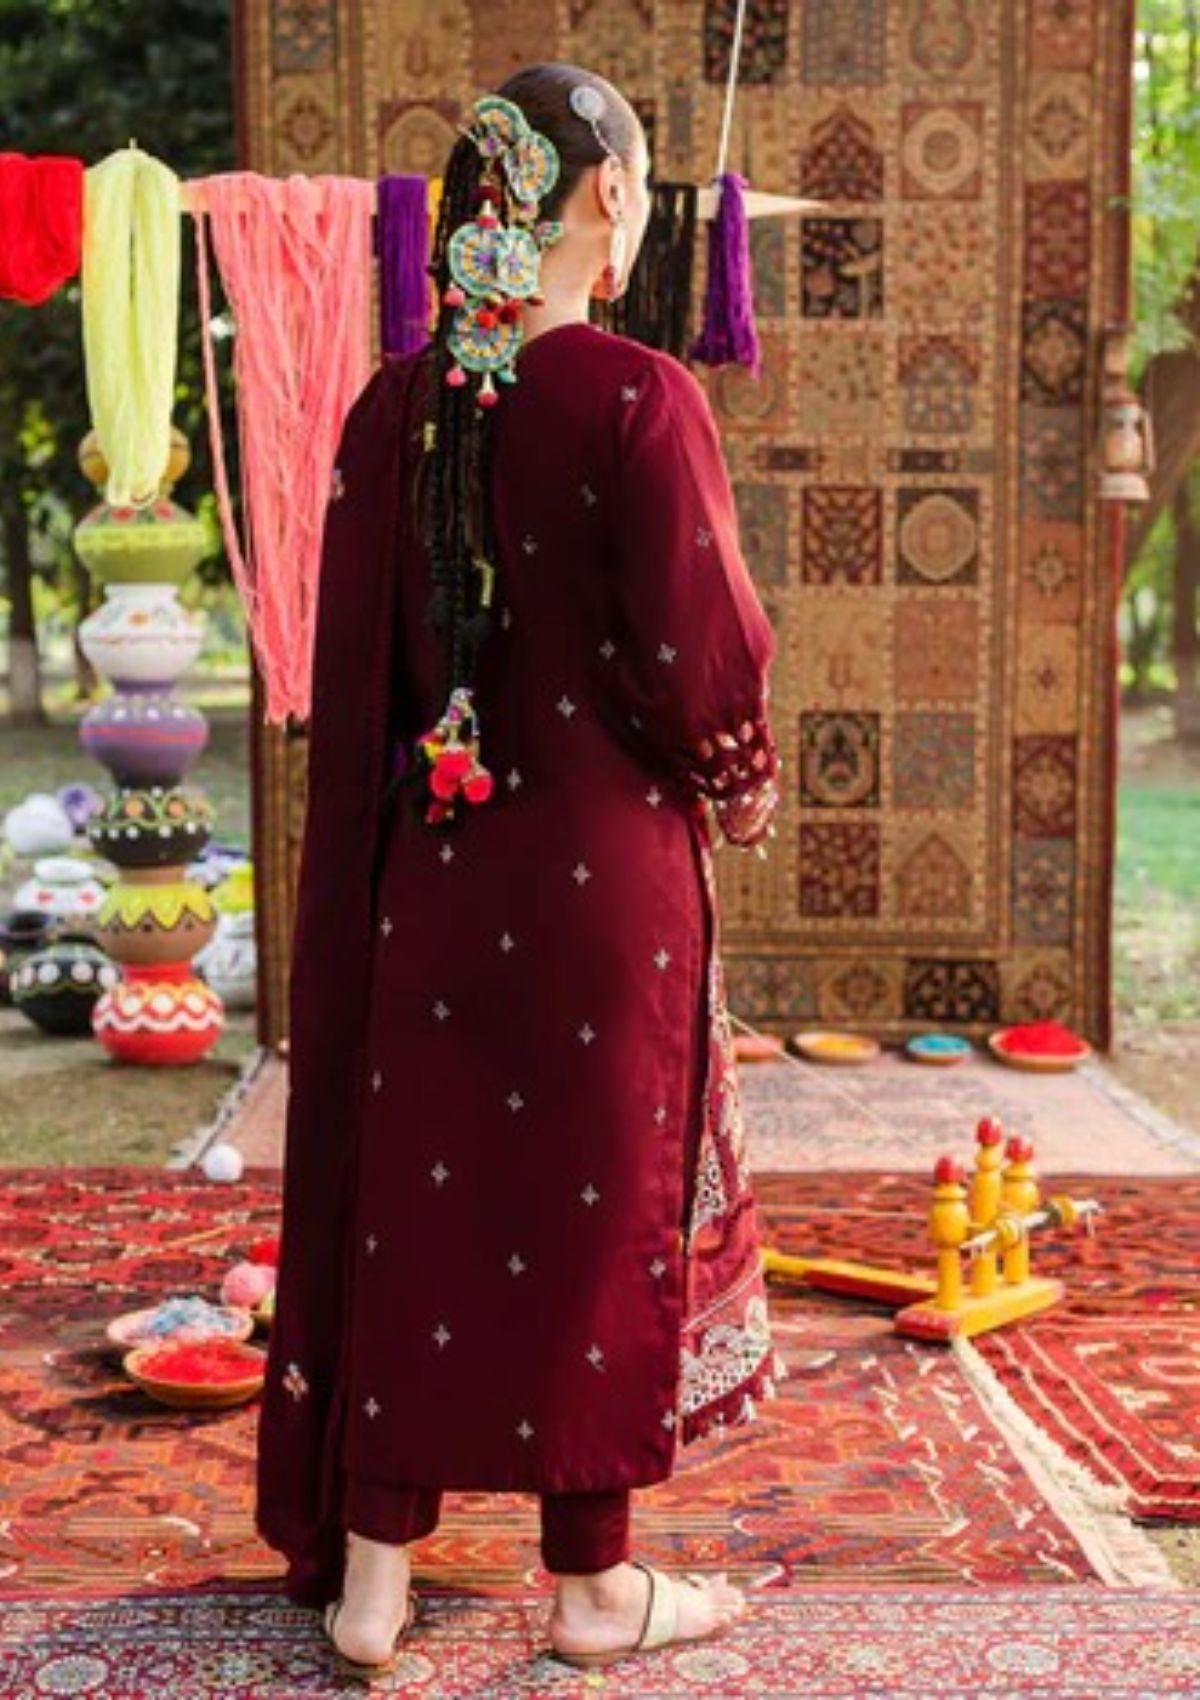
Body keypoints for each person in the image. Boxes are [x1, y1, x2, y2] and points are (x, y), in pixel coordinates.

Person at [254, 60, 786, 1677]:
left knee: (415, 1200)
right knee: (593, 1213)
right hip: (603, 891)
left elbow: (369, 680)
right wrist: (739, 784)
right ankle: (593, 1589)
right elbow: (702, 654)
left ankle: (372, 1585)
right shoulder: (637, 397)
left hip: (426, 874)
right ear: (609, 196)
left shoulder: (394, 410)